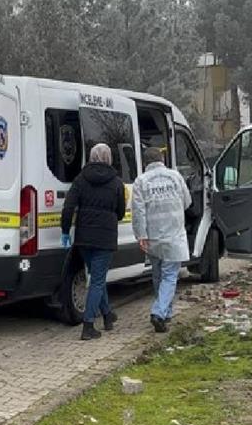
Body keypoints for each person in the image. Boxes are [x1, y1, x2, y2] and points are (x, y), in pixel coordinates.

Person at [61, 143, 125, 341]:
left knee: (97, 279)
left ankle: (107, 315)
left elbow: (69, 206)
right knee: (97, 281)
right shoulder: (116, 182)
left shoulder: (80, 179)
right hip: (105, 238)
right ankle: (88, 325)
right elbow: (121, 212)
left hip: (84, 239)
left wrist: (65, 231)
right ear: (108, 158)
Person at [131, 147, 192, 333]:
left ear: (146, 162)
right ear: (162, 159)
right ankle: (159, 312)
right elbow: (187, 202)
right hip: (174, 236)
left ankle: (165, 313)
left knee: (158, 276)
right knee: (170, 276)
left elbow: (138, 212)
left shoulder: (141, 181)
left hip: (153, 238)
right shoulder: (175, 177)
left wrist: (141, 235)